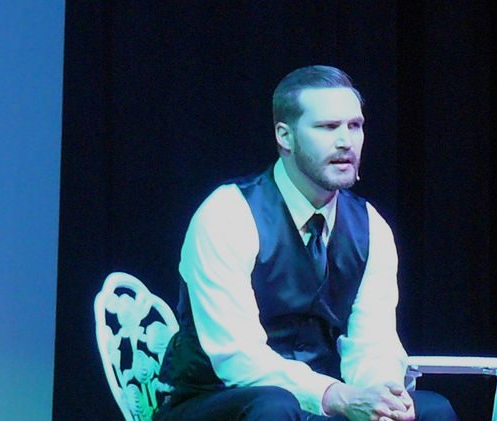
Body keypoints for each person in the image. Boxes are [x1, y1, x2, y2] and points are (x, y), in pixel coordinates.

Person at [156, 65, 457, 420]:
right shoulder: (228, 213)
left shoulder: (370, 226)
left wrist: (380, 395)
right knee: (274, 406)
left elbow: (373, 341)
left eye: (355, 126)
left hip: (316, 406)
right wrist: (334, 395)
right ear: (285, 136)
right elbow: (237, 357)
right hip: (217, 400)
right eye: (328, 127)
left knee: (432, 409)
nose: (346, 142)